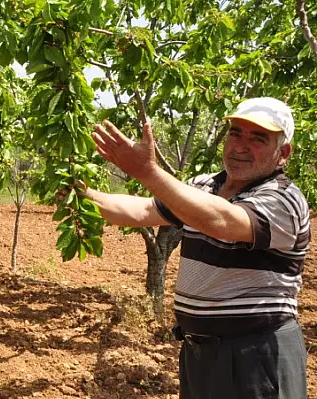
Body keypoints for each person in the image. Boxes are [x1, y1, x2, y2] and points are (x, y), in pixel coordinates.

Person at [80, 97, 311, 399]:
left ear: (283, 153)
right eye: (235, 133)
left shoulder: (284, 199)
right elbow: (140, 211)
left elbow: (221, 221)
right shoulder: (204, 187)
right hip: (200, 353)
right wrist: (81, 194)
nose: (241, 145)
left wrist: (147, 172)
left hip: (256, 354)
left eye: (258, 138)